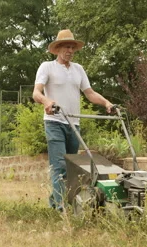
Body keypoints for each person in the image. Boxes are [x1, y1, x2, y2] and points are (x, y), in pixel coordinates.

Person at [33, 29, 113, 211]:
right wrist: (46, 100)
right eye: (66, 47)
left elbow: (90, 93)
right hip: (54, 122)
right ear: (58, 48)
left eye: (72, 47)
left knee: (71, 168)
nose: (69, 50)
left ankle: (56, 202)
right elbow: (36, 92)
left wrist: (107, 102)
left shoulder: (79, 70)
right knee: (59, 165)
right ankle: (62, 208)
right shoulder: (47, 67)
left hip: (73, 124)